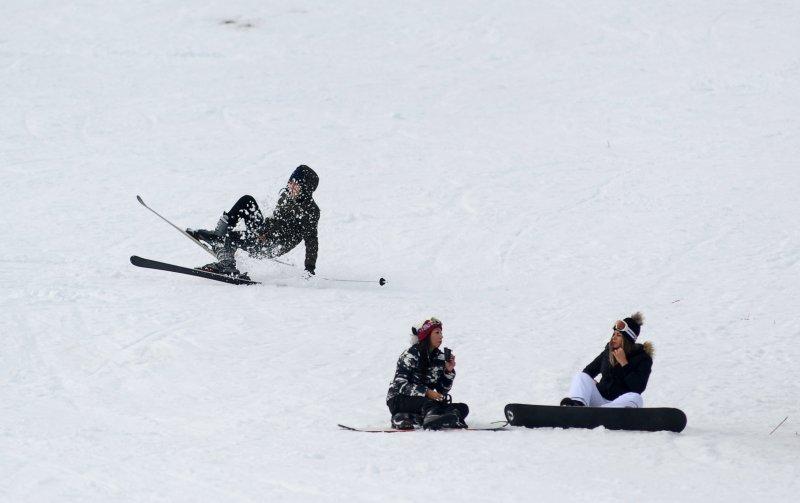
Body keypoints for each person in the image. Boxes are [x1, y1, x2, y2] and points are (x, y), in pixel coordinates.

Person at [187, 165, 320, 278]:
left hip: (273, 246)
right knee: (247, 201)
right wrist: (265, 231)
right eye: (290, 181)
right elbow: (276, 221)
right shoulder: (286, 196)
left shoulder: (310, 211)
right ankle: (218, 236)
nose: (291, 186)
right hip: (266, 235)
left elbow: (311, 241)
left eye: (296, 184)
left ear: (306, 189)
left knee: (232, 236)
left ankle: (226, 264)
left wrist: (309, 269)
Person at [385, 318, 469, 430]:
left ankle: (409, 418)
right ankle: (430, 418)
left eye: (441, 332)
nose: (441, 336)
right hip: (399, 399)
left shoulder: (440, 357)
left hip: (425, 401)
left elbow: (442, 391)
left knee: (462, 408)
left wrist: (448, 371)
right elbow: (400, 384)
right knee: (429, 404)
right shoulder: (410, 355)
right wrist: (427, 392)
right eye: (437, 332)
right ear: (427, 335)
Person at [560, 312, 653, 408]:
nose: (614, 338)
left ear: (627, 339)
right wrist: (594, 383)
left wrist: (624, 363)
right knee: (581, 376)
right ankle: (577, 407)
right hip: (599, 399)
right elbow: (588, 372)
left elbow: (638, 387)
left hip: (618, 405)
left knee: (636, 397)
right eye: (614, 334)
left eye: (618, 335)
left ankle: (606, 413)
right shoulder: (608, 352)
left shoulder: (643, 358)